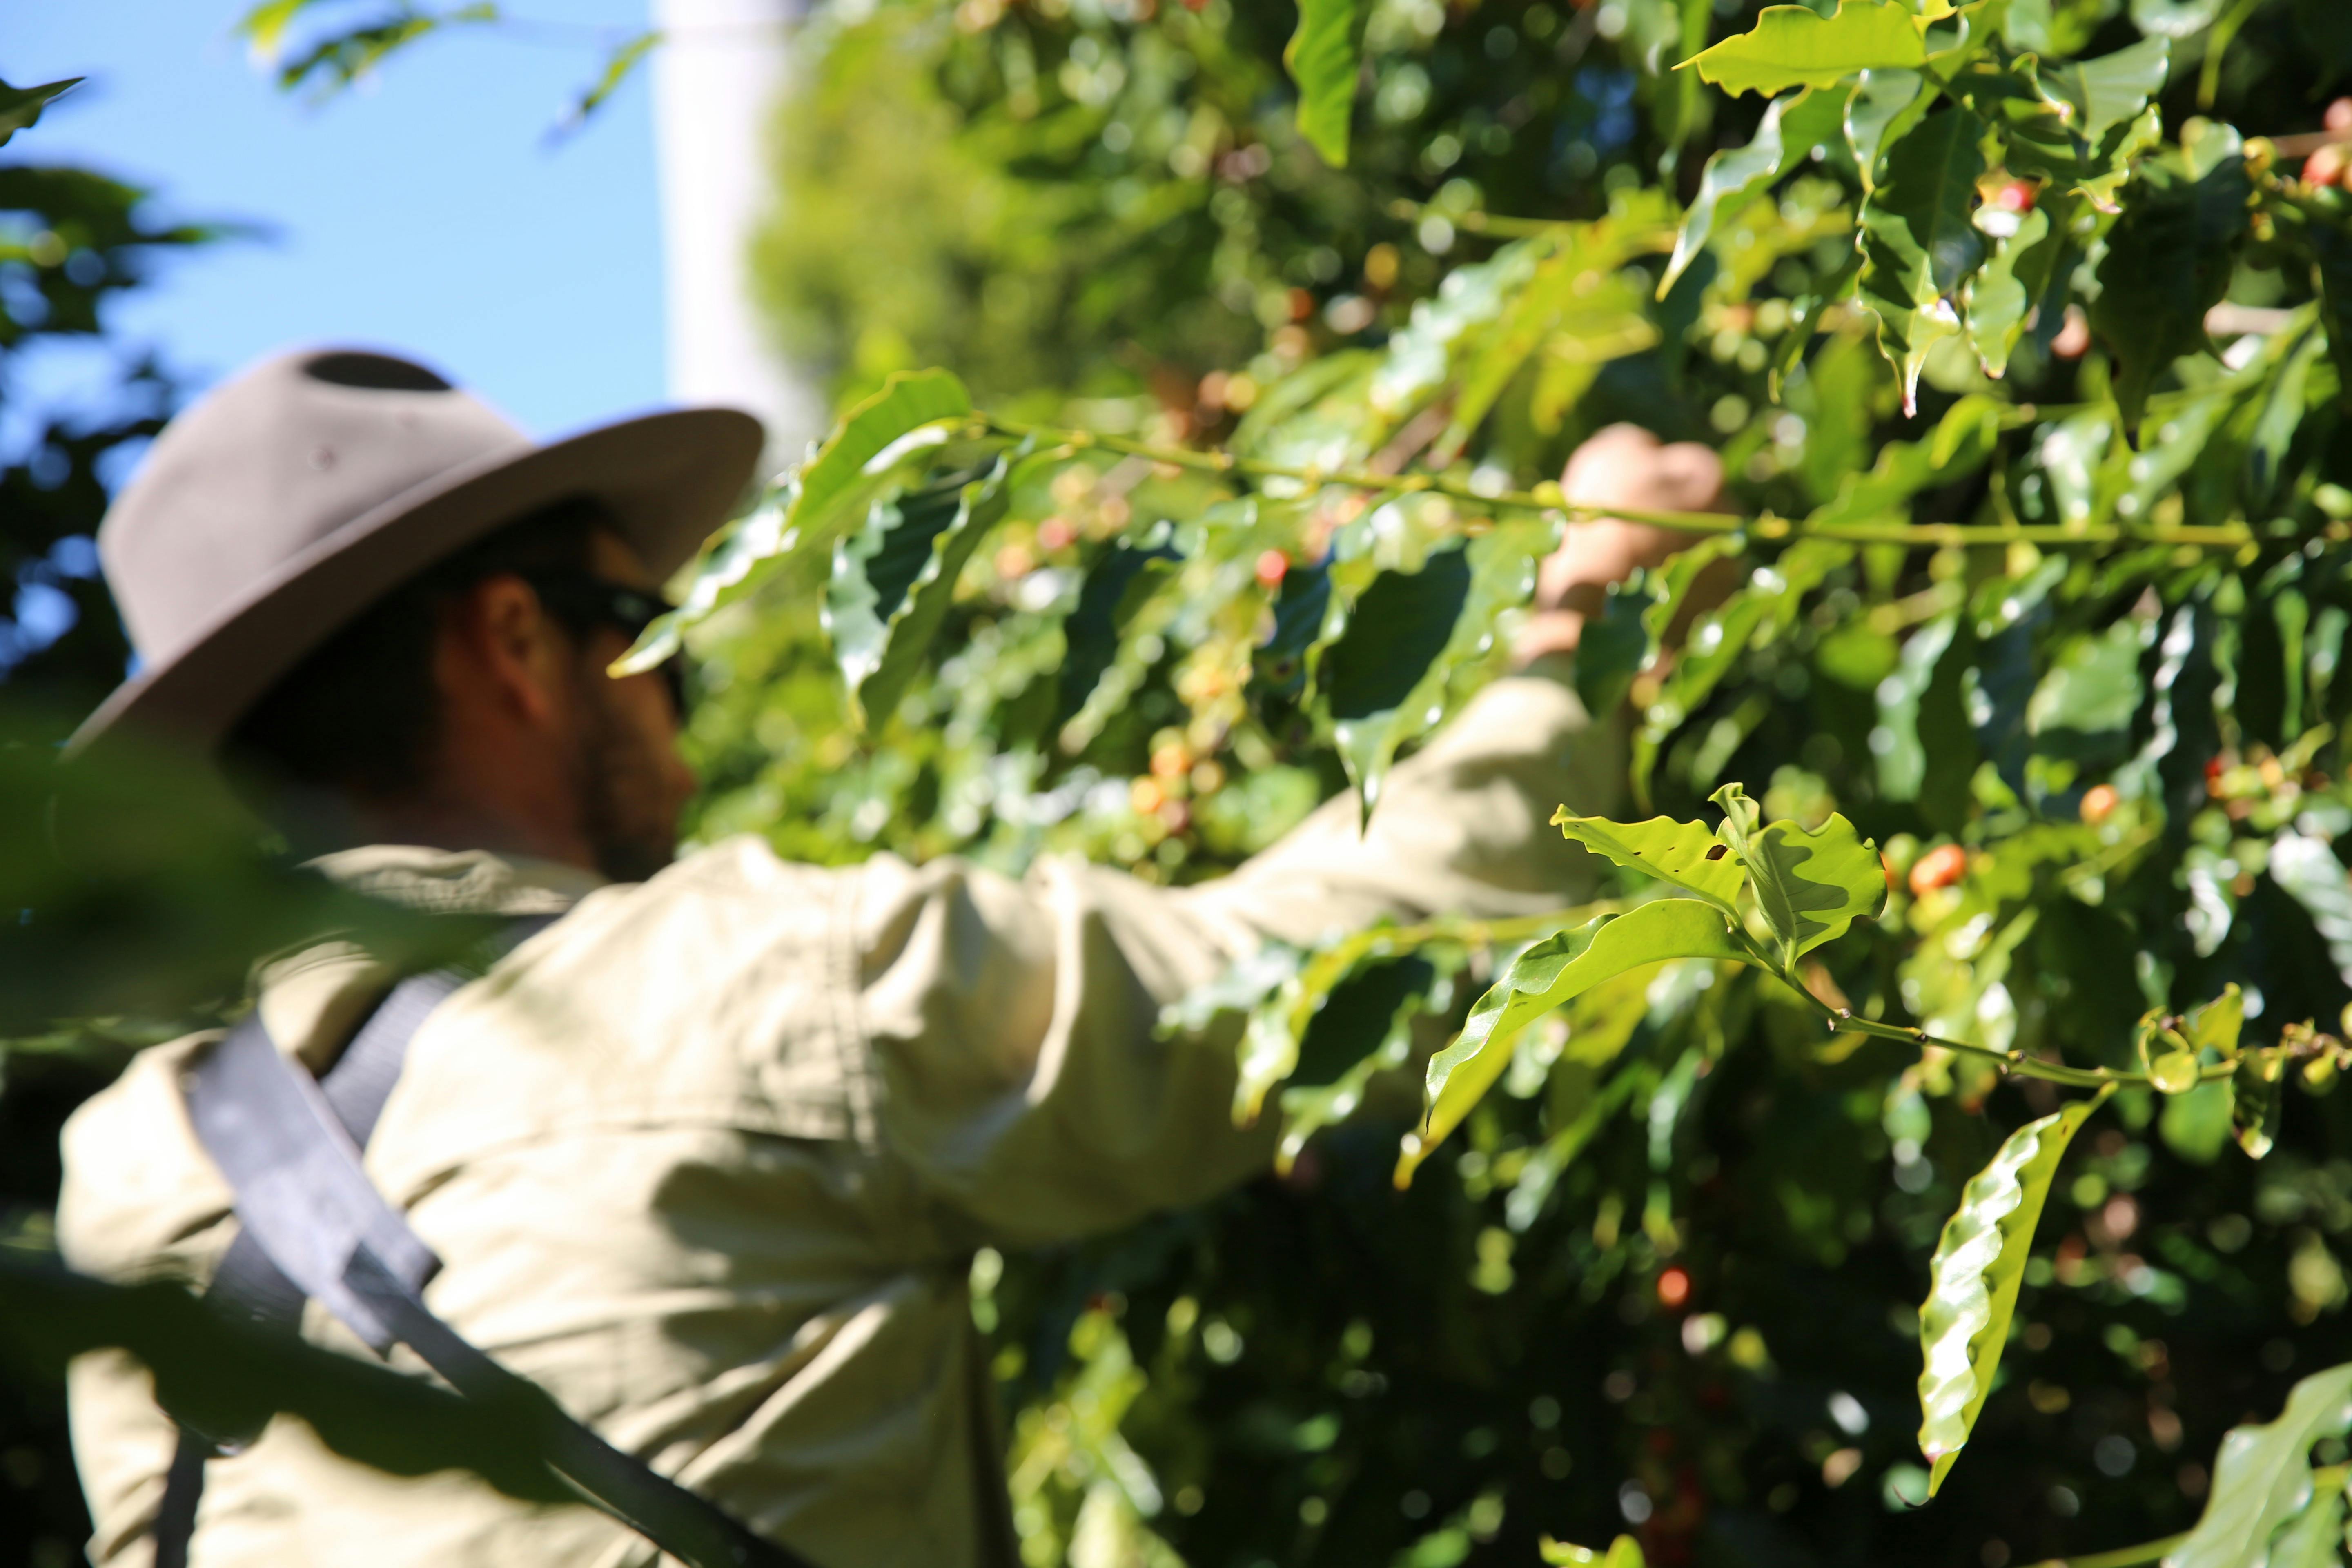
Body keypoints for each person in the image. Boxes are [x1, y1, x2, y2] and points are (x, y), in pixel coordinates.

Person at [56, 347, 1724, 1568]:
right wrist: (1572, 621)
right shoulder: (759, 976)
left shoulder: (128, 1176)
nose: (675, 705)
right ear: (513, 641)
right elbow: (1286, 980)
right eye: (653, 635)